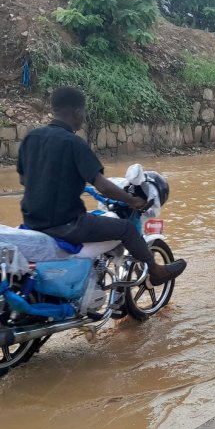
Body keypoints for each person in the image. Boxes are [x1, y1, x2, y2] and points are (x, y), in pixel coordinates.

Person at [18, 87, 186, 285]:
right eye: (84, 112)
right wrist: (133, 200)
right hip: (67, 225)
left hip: (32, 220)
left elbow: (23, 180)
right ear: (78, 112)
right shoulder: (74, 143)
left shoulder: (31, 138)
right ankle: (156, 271)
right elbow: (104, 187)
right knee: (126, 229)